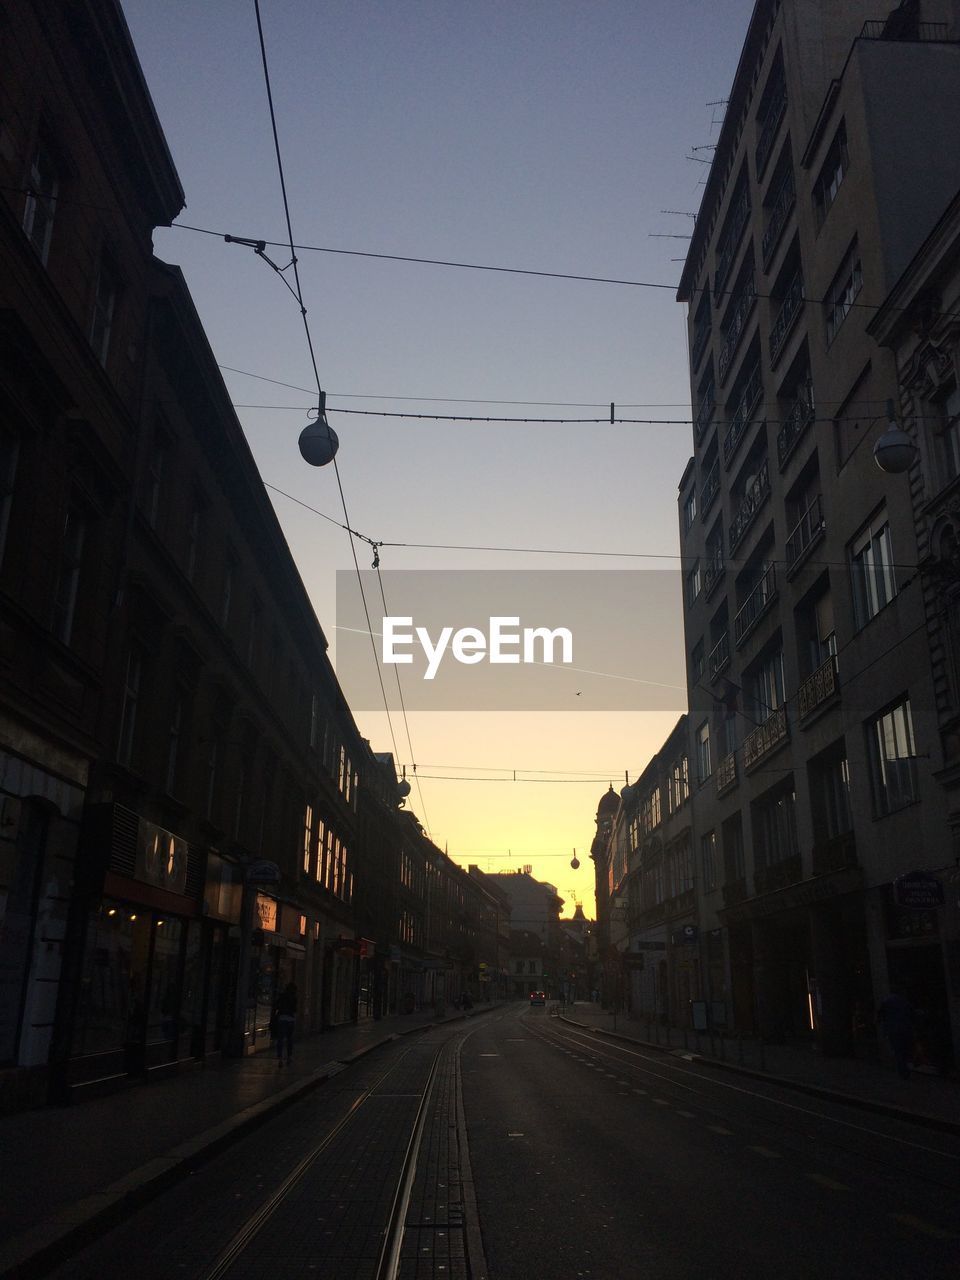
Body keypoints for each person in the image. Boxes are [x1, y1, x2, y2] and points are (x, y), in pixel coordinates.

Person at [877, 988, 914, 1080]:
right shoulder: (904, 1001)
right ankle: (906, 1068)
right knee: (905, 1049)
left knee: (898, 1050)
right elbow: (911, 1012)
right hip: (905, 1028)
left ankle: (902, 1071)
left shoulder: (887, 1001)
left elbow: (880, 1014)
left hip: (893, 1029)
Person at [274, 981, 297, 1066]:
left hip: (282, 1018)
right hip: (290, 1019)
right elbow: (294, 1010)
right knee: (289, 1039)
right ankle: (289, 1057)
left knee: (280, 1039)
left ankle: (280, 1058)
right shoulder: (294, 997)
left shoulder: (282, 996)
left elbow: (277, 1006)